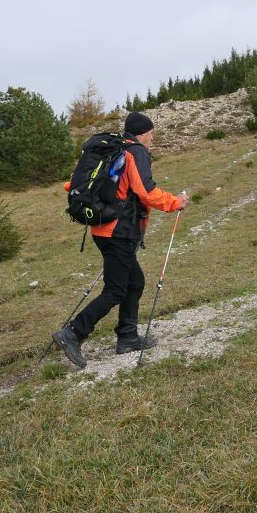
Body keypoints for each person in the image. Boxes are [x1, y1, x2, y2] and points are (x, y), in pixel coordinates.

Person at [52, 112, 189, 368]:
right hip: (119, 232)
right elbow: (146, 192)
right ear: (141, 133)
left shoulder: (113, 150)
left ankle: (127, 336)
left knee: (134, 282)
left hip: (104, 229)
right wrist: (175, 203)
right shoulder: (135, 152)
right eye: (151, 133)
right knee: (116, 289)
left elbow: (74, 184)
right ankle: (73, 333)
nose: (152, 138)